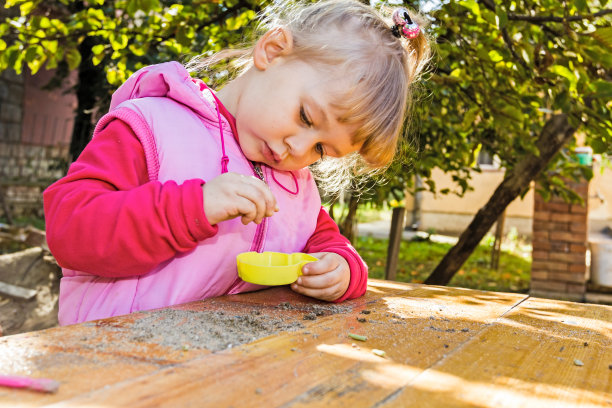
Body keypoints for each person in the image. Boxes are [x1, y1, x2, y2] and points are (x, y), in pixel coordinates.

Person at [43, 0, 431, 325]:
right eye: (306, 117)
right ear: (273, 51)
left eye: (321, 150)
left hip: (216, 371)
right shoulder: (152, 126)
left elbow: (329, 244)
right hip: (106, 363)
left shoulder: (295, 186)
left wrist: (342, 270)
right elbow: (69, 229)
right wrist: (192, 208)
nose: (298, 149)